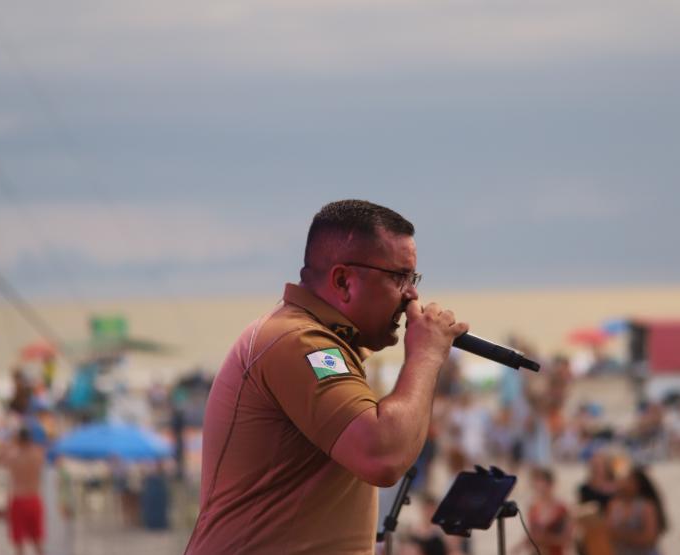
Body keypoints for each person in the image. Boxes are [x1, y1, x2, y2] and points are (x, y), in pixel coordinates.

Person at [183, 200, 469, 554]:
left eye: (414, 279)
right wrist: (425, 355)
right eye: (399, 277)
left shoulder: (319, 341)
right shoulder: (300, 342)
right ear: (343, 281)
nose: (412, 295)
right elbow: (382, 455)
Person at [0, 427, 46, 555]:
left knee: (19, 545)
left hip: (18, 499)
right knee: (38, 542)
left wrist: (9, 444)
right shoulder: (38, 454)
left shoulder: (14, 456)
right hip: (34, 499)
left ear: (18, 439)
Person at [606, 467, 667, 555]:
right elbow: (608, 532)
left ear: (638, 485)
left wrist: (621, 535)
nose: (624, 483)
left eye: (629, 480)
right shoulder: (614, 504)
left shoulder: (646, 506)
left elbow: (650, 538)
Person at [512, 467, 571, 555]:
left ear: (550, 484)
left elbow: (566, 539)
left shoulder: (562, 509)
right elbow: (531, 534)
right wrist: (518, 547)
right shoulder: (533, 508)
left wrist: (544, 539)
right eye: (536, 482)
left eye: (542, 482)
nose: (539, 486)